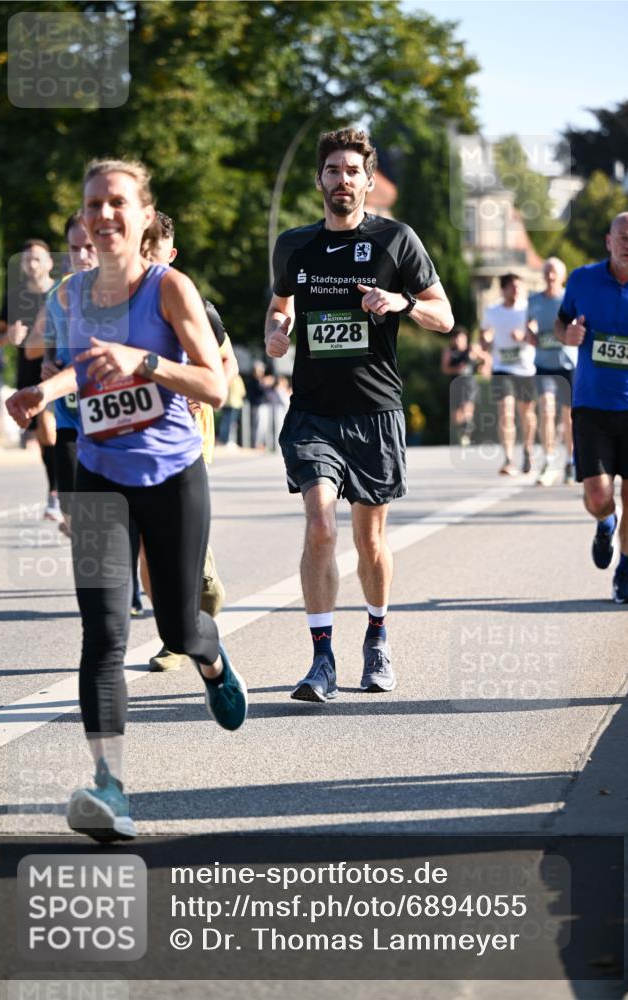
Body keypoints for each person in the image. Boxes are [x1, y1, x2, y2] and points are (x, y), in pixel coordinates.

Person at [7, 158, 247, 841]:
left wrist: (145, 362)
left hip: (173, 475)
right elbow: (76, 368)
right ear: (82, 221)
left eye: (117, 203)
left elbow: (214, 385)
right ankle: (110, 787)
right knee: (104, 635)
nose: (103, 214)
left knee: (177, 626)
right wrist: (38, 395)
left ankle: (211, 657)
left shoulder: (170, 288)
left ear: (143, 217)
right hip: (98, 473)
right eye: (93, 205)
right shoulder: (68, 297)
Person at [265, 127, 453, 701]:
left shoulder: (397, 239)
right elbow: (278, 311)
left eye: (352, 171)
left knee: (370, 540)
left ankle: (377, 635)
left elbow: (444, 316)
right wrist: (276, 333)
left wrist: (402, 302)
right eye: (332, 171)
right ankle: (321, 660)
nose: (342, 180)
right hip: (314, 412)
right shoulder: (295, 245)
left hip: (374, 411)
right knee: (321, 524)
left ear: (368, 181)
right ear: (319, 180)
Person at [140, 210, 236, 671]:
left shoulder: (193, 303)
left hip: (187, 437)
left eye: (154, 251)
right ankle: (173, 634)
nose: (145, 259)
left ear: (170, 254)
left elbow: (226, 367)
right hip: (138, 438)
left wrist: (202, 387)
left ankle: (202, 588)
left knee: (171, 533)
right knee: (146, 539)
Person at [554, 211, 628, 604]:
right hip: (591, 404)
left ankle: (624, 573)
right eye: (623, 237)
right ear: (608, 241)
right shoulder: (583, 279)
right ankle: (605, 523)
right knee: (597, 495)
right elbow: (560, 325)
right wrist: (568, 334)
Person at [41, 213, 98, 536]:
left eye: (89, 246)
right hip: (69, 413)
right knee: (69, 505)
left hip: (109, 416)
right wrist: (47, 363)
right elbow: (50, 337)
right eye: (75, 248)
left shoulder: (121, 291)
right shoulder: (57, 294)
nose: (82, 255)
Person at [0, 239, 60, 518]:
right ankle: (57, 491)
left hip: (59, 372)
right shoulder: (14, 296)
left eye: (37, 259)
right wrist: (8, 337)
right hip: (28, 374)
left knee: (55, 431)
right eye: (27, 260)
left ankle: (58, 495)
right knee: (46, 438)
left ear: (49, 262)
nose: (32, 264)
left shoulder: (62, 292)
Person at [527, 257, 576, 485]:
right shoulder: (533, 300)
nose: (550, 275)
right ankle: (548, 460)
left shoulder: (570, 297)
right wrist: (530, 334)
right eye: (547, 271)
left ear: (562, 276)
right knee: (546, 410)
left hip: (567, 364)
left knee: (569, 416)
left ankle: (570, 461)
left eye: (555, 272)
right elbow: (527, 324)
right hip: (543, 364)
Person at [481, 273, 537, 475]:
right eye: (513, 287)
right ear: (503, 289)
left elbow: (535, 334)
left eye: (519, 287)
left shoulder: (527, 308)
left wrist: (524, 335)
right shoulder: (492, 311)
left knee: (526, 413)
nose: (517, 290)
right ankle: (509, 458)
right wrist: (486, 340)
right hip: (501, 368)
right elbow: (484, 333)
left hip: (525, 368)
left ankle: (528, 450)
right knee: (505, 411)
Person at [440, 326, 485, 447]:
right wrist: (456, 369)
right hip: (455, 384)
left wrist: (484, 368)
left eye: (461, 338)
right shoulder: (449, 351)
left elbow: (486, 358)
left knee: (467, 409)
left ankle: (467, 435)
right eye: (456, 339)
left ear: (465, 339)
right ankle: (464, 430)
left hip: (469, 384)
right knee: (456, 416)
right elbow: (445, 369)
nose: (458, 341)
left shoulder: (472, 349)